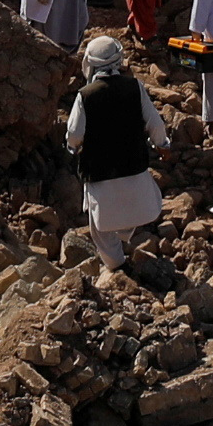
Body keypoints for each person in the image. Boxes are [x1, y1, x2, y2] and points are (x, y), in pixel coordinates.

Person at [62, 35, 169, 261]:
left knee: (100, 228)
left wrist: (72, 149)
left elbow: (74, 134)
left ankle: (116, 266)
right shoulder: (135, 87)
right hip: (134, 169)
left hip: (100, 174)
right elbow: (156, 124)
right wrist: (163, 145)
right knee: (128, 217)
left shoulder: (85, 95)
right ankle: (124, 245)